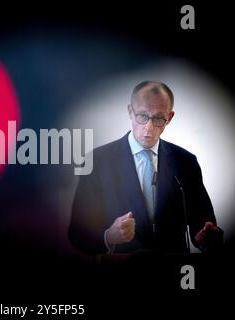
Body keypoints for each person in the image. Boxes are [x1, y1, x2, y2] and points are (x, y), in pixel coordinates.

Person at [69, 81, 223, 254]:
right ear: (130, 112)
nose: (148, 128)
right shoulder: (96, 161)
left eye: (158, 118)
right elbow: (77, 234)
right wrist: (108, 237)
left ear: (169, 118)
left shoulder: (185, 162)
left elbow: (203, 226)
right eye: (142, 116)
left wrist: (207, 237)